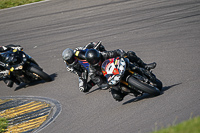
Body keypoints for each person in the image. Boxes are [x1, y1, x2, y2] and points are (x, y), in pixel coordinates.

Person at [85, 48, 156, 102]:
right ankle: (132, 90)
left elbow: (117, 51)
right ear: (90, 62)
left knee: (130, 54)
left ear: (98, 55)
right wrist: (106, 85)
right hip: (112, 80)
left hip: (118, 68)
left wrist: (123, 55)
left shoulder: (104, 54)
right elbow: (100, 83)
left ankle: (144, 66)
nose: (97, 62)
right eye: (93, 61)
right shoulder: (92, 72)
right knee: (117, 96)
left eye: (97, 59)